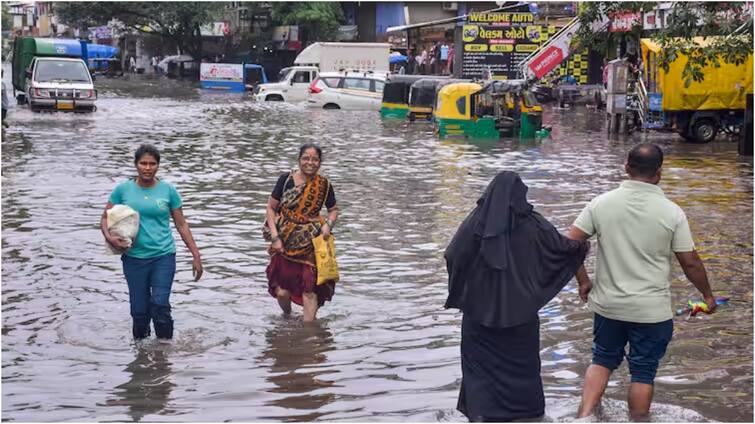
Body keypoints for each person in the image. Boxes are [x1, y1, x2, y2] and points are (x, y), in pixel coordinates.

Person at [567, 143, 717, 420]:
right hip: (651, 311)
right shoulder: (672, 212)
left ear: (626, 168)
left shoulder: (601, 203)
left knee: (601, 360)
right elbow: (691, 262)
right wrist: (707, 296)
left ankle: (584, 416)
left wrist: (583, 281)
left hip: (608, 306)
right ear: (659, 173)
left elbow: (568, 245)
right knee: (643, 371)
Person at [445, 171, 590, 422]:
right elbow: (563, 250)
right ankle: (527, 415)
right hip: (521, 313)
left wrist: (465, 289)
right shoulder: (534, 224)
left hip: (478, 314)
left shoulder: (474, 224)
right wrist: (583, 269)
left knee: (479, 369)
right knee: (522, 367)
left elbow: (452, 255)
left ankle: (482, 415)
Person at [101, 144, 203, 340]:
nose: (147, 168)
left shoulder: (168, 190)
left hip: (163, 256)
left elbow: (181, 224)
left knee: (160, 304)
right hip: (134, 258)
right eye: (143, 163)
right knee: (139, 313)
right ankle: (140, 356)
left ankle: (164, 351)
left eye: (152, 164)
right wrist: (109, 237)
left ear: (158, 166)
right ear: (136, 164)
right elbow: (105, 217)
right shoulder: (123, 190)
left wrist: (196, 255)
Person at [265, 143, 339, 322]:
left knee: (309, 290)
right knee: (282, 292)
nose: (310, 162)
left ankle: (309, 333)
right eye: (306, 158)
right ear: (299, 160)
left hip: (311, 242)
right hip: (285, 240)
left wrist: (328, 224)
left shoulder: (324, 185)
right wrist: (275, 237)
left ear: (320, 163)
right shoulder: (285, 180)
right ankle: (287, 316)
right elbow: (271, 208)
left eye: (314, 159)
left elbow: (334, 209)